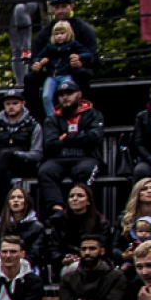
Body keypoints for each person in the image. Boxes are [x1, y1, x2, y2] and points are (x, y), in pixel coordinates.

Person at [37, 82, 103, 217]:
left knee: (85, 170)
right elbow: (50, 144)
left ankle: (79, 211)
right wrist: (80, 137)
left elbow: (94, 138)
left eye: (69, 93)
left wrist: (66, 138)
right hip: (58, 158)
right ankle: (58, 210)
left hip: (86, 157)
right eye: (61, 95)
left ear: (79, 94)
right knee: (45, 171)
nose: (65, 97)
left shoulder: (93, 114)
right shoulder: (51, 119)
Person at [0, 90, 41, 220]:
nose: (11, 106)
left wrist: (15, 156)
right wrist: (1, 161)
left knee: (6, 155)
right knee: (3, 172)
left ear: (23, 103)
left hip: (24, 165)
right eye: (8, 104)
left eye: (15, 103)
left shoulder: (34, 125)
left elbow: (37, 153)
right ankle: (2, 218)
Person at [28, 17, 96, 115]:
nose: (59, 36)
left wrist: (78, 56)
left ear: (68, 33)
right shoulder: (49, 47)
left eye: (62, 33)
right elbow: (37, 57)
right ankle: (52, 117)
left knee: (67, 95)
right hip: (51, 76)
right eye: (57, 34)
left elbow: (88, 54)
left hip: (66, 74)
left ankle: (68, 115)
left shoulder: (73, 44)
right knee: (46, 96)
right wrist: (39, 62)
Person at [59, 235, 131, 300]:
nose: (87, 253)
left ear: (102, 251)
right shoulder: (68, 278)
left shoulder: (117, 277)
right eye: (83, 249)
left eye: (92, 249)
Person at [48, 182, 105, 270]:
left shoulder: (100, 222)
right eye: (71, 196)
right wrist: (62, 258)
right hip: (67, 265)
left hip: (94, 263)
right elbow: (52, 249)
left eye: (80, 196)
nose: (74, 199)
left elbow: (105, 250)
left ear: (88, 201)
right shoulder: (58, 221)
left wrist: (83, 257)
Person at [0, 184, 45, 265]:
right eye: (12, 198)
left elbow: (35, 254)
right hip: (0, 264)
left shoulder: (37, 227)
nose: (16, 200)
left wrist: (16, 262)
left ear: (26, 201)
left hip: (27, 265)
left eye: (20, 197)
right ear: (8, 202)